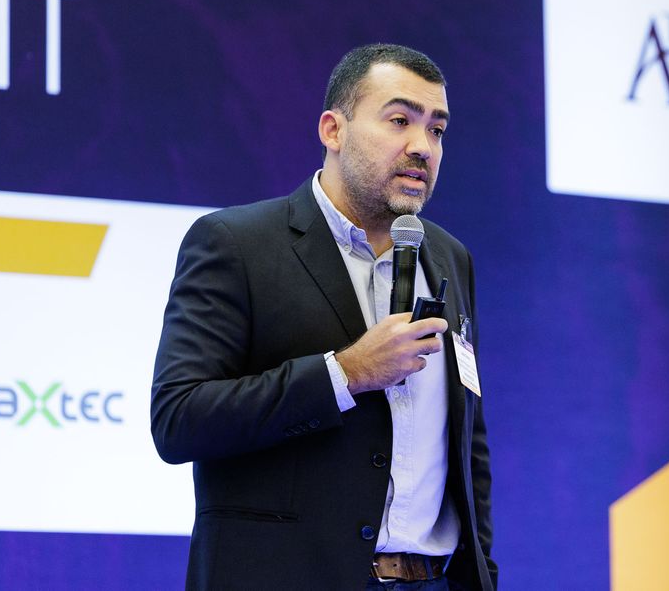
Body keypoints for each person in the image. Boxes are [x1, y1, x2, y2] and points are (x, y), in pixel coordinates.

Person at [151, 44, 495, 590]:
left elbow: (466, 443)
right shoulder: (237, 244)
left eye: (437, 130)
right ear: (333, 130)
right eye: (400, 120)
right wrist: (346, 373)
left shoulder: (450, 257)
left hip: (431, 580)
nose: (422, 147)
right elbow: (180, 419)